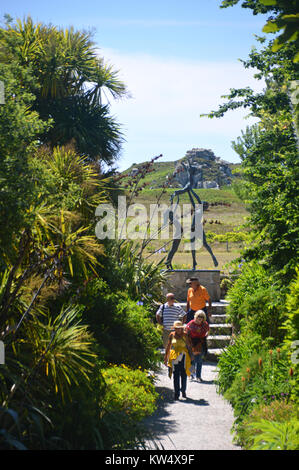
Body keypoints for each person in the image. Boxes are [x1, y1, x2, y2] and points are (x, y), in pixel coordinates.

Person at [164, 321, 192, 400]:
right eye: (176, 328)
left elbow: (189, 346)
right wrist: (166, 358)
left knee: (184, 374)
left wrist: (191, 355)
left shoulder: (185, 335)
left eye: (179, 328)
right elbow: (168, 346)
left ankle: (183, 391)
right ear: (175, 328)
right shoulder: (172, 335)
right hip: (174, 357)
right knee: (175, 375)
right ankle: (176, 393)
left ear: (182, 328)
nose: (178, 330)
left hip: (184, 356)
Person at [186, 310, 210, 382]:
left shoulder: (205, 324)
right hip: (192, 342)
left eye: (202, 317)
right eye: (198, 316)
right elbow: (186, 332)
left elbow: (208, 330)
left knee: (199, 360)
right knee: (192, 359)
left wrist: (207, 334)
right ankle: (191, 374)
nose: (200, 318)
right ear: (195, 316)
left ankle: (198, 376)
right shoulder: (191, 323)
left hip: (201, 342)